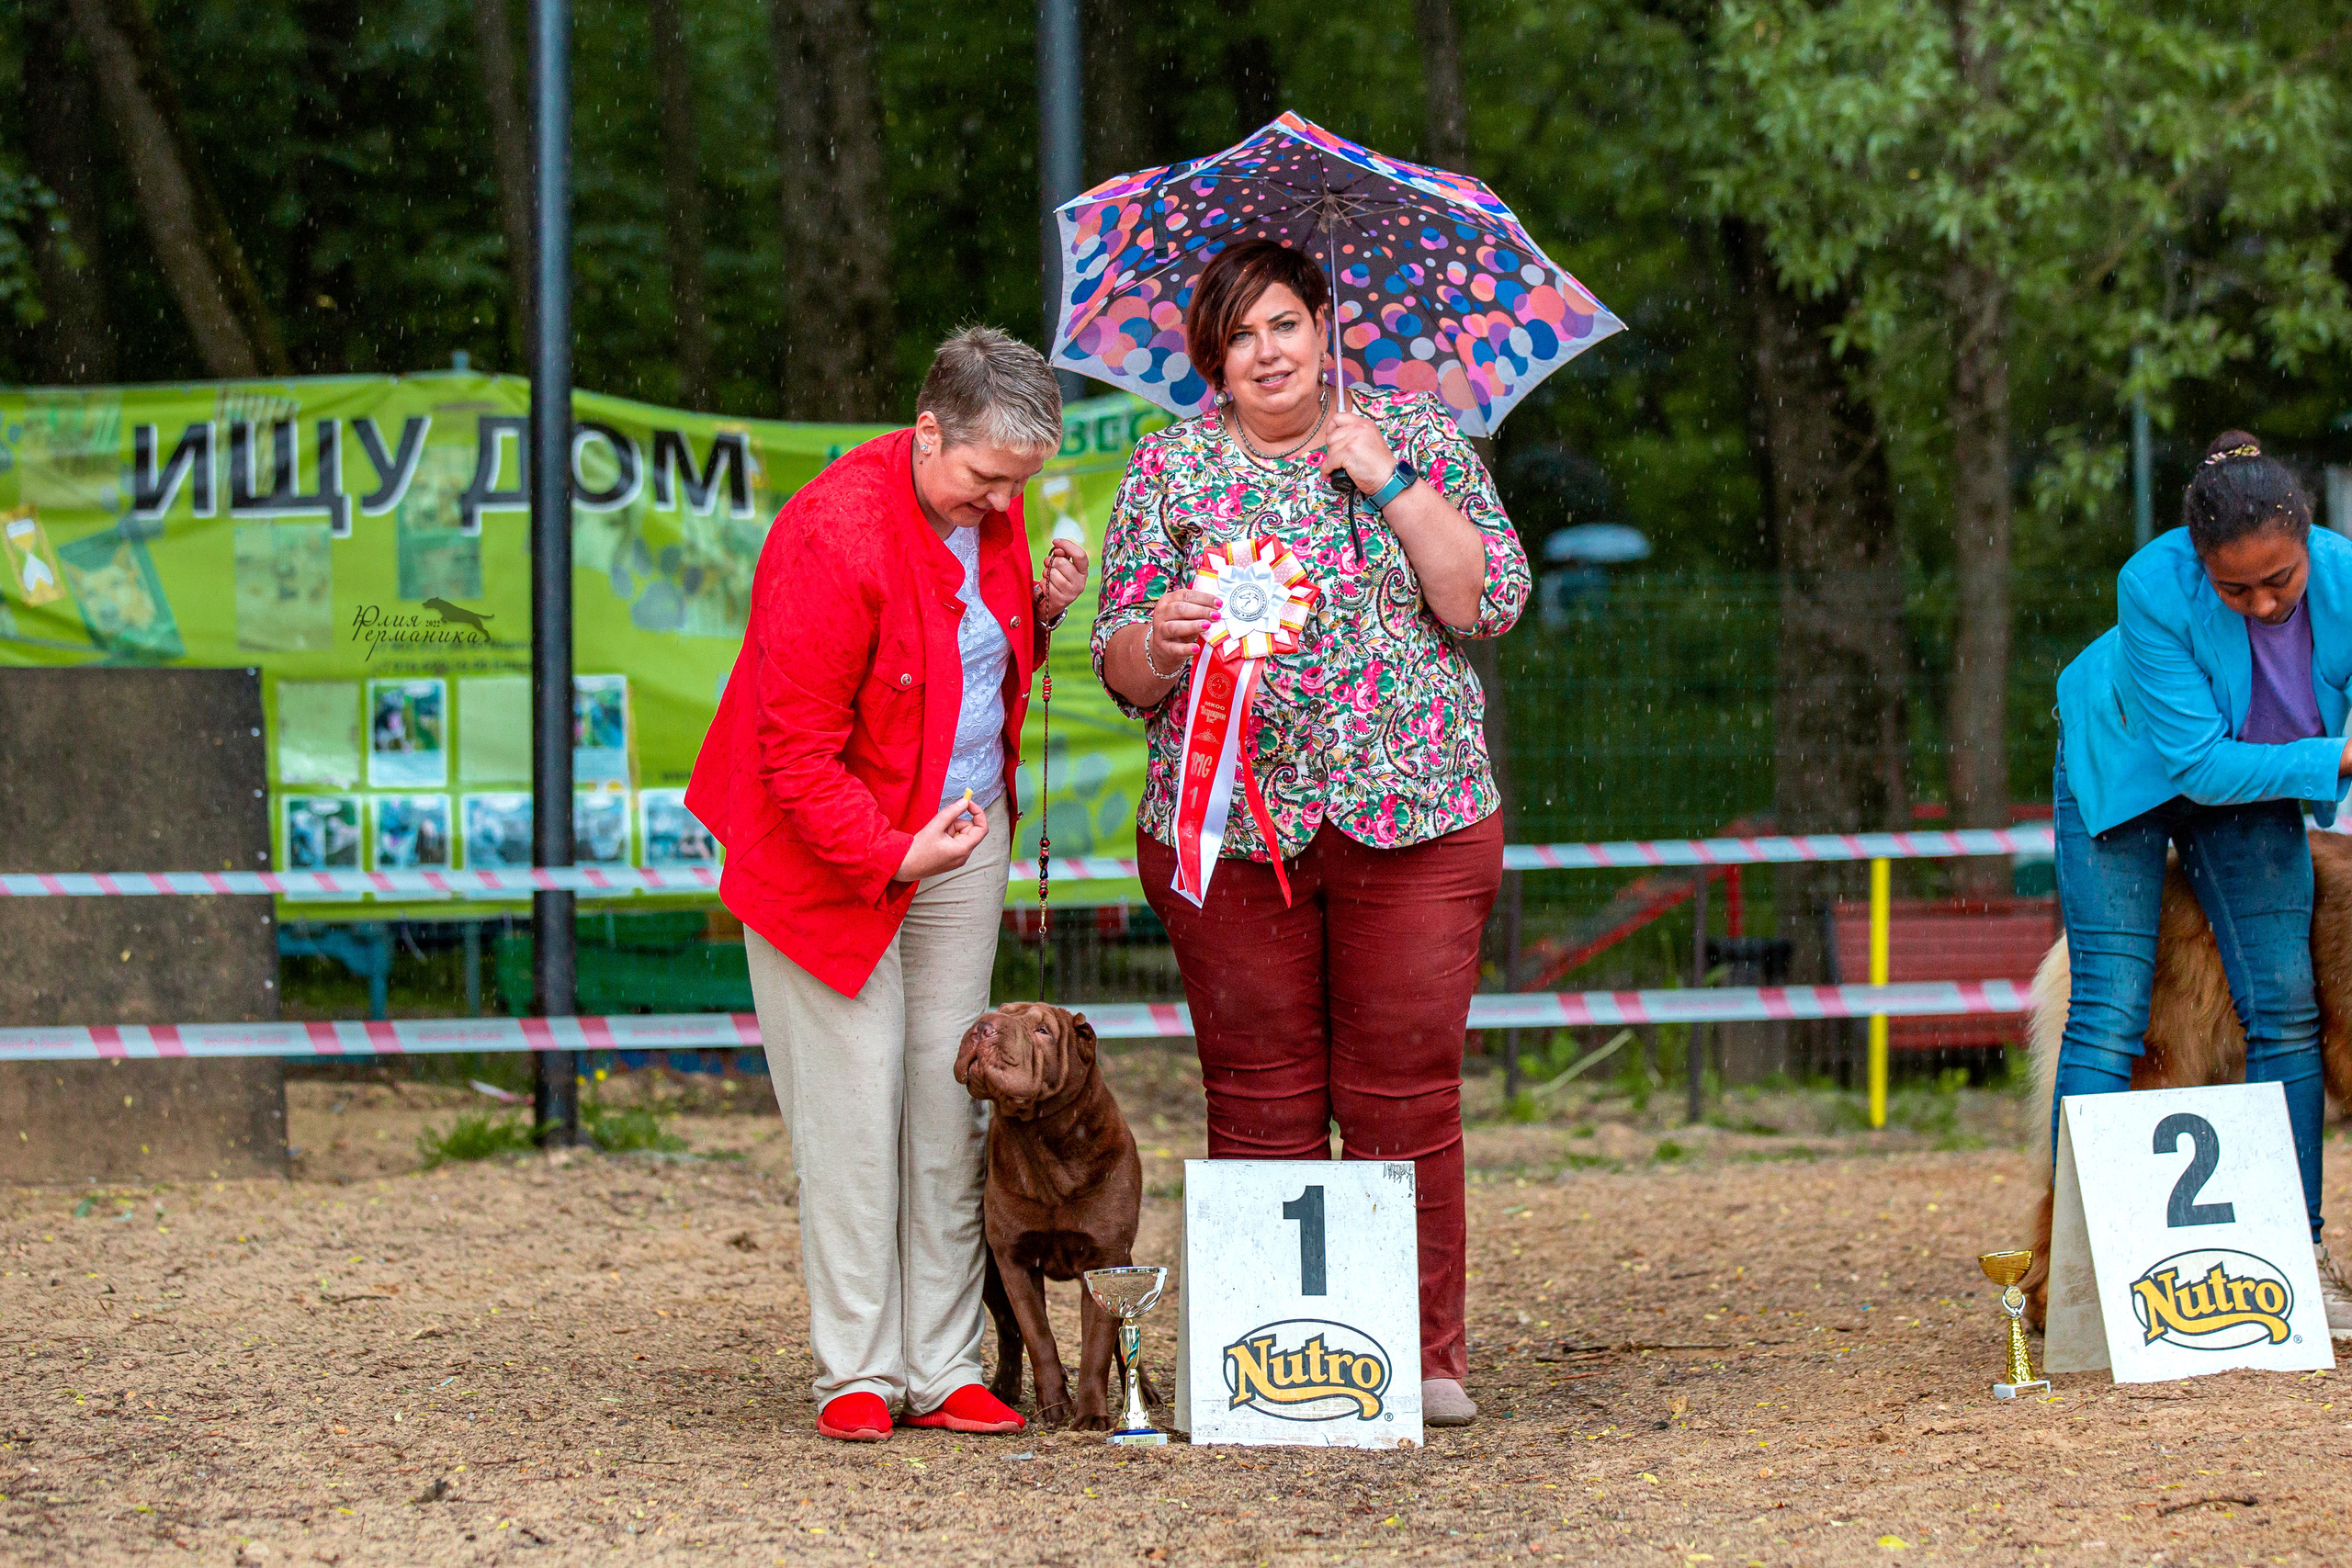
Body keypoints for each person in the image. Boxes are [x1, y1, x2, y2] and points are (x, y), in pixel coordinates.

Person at [1090, 238, 1531, 1426]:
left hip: (1419, 818)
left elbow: (1485, 600)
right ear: (1212, 361)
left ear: (1325, 324)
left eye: (1284, 323)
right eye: (1238, 336)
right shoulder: (1166, 468)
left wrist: (1388, 479)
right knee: (1259, 1096)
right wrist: (1160, 640)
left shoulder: (1416, 433)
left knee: (1405, 1095)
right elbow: (1118, 668)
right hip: (1229, 834)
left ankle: (1420, 1353)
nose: (1267, 352)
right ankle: (1264, 1346)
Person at [686, 327, 1091, 1440]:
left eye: (1017, 484)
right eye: (984, 479)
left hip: (958, 832)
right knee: (853, 1112)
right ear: (925, 432)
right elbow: (792, 756)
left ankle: (942, 1363)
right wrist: (890, 854)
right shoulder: (832, 534)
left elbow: (966, 667)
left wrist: (1042, 614)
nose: (1000, 504)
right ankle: (858, 1370)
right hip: (828, 849)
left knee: (950, 1103)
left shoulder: (989, 504)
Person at [2052, 429, 2352, 1336]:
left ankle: (2297, 1255)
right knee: (2108, 1010)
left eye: (2280, 581)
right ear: (2198, 560)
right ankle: (2076, 1277)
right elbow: (2199, 764)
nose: (2262, 603)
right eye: (2234, 590)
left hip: (2259, 771)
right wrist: (2335, 759)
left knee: (2286, 1004)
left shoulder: (2347, 575)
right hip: (2131, 767)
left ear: (2307, 534)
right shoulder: (2151, 584)